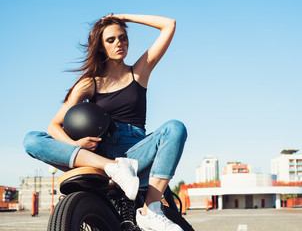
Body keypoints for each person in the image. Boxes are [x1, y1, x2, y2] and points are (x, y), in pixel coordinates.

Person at [23, 14, 187, 231]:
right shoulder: (89, 83)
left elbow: (169, 25)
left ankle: (151, 209)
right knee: (31, 140)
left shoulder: (138, 72)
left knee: (176, 127)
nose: (119, 43)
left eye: (123, 37)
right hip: (99, 155)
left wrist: (123, 17)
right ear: (100, 47)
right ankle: (113, 168)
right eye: (111, 40)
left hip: (136, 153)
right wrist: (75, 145)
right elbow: (54, 126)